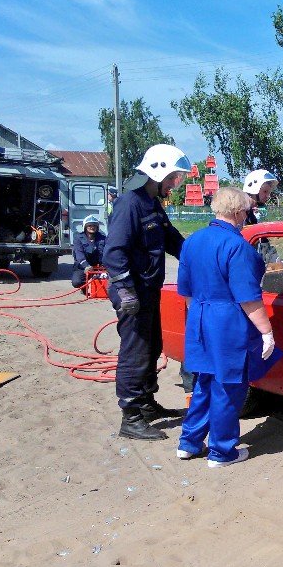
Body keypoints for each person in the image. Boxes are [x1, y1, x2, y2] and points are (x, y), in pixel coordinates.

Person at [176, 186, 282, 467]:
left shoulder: (193, 241)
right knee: (228, 386)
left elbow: (185, 290)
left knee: (205, 383)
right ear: (237, 213)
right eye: (246, 212)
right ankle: (222, 452)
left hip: (199, 316)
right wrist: (267, 332)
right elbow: (249, 298)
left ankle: (189, 442)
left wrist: (200, 318)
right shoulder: (237, 247)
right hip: (227, 323)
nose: (247, 216)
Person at [104, 144, 192, 441]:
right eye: (172, 178)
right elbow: (113, 252)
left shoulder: (153, 203)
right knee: (136, 353)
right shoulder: (130, 204)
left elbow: (173, 240)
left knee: (153, 347)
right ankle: (130, 417)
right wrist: (125, 290)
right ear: (157, 172)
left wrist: (199, 255)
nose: (174, 184)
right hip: (132, 292)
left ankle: (146, 404)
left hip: (149, 289)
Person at [71, 215, 107, 288]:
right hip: (83, 267)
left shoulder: (103, 238)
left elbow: (106, 252)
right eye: (89, 225)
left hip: (99, 267)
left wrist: (106, 265)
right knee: (76, 282)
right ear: (85, 227)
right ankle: (85, 287)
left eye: (94, 225)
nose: (92, 227)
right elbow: (79, 254)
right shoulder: (78, 238)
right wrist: (86, 266)